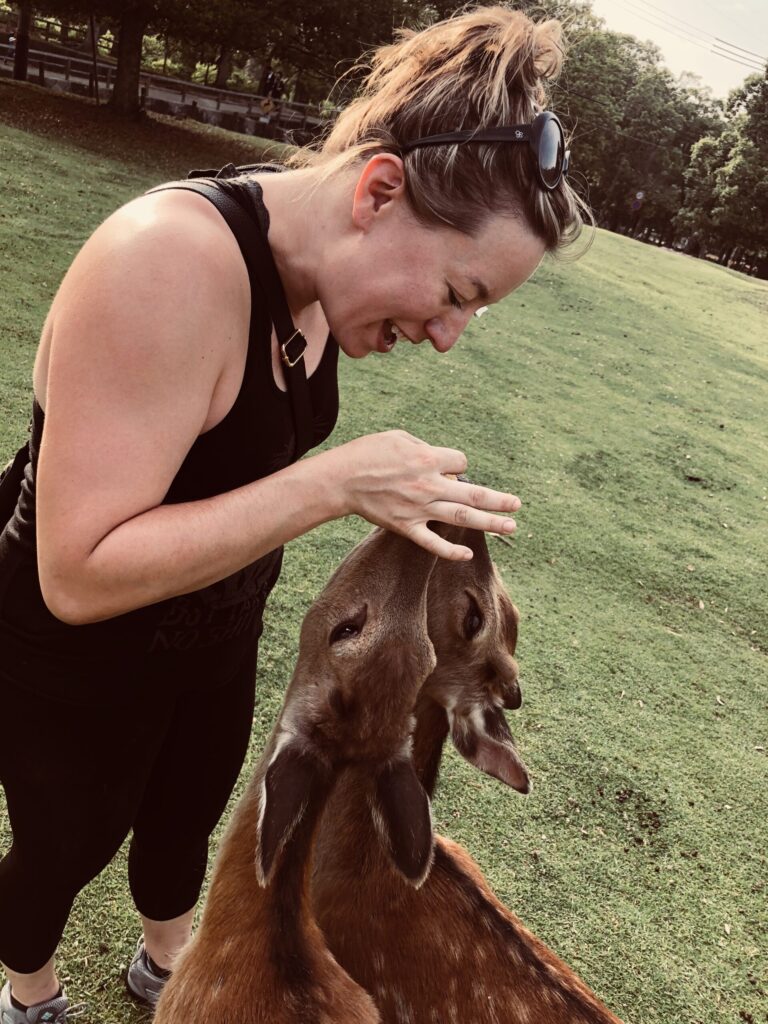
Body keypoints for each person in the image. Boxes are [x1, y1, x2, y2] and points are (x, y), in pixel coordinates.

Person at [0, 6, 586, 1022]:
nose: (448, 335)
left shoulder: (316, 286)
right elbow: (76, 571)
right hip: (74, 656)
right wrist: (335, 483)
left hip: (212, 629)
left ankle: (171, 965)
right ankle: (29, 993)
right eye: (455, 290)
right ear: (378, 191)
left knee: (185, 823)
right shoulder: (165, 263)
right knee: (66, 842)